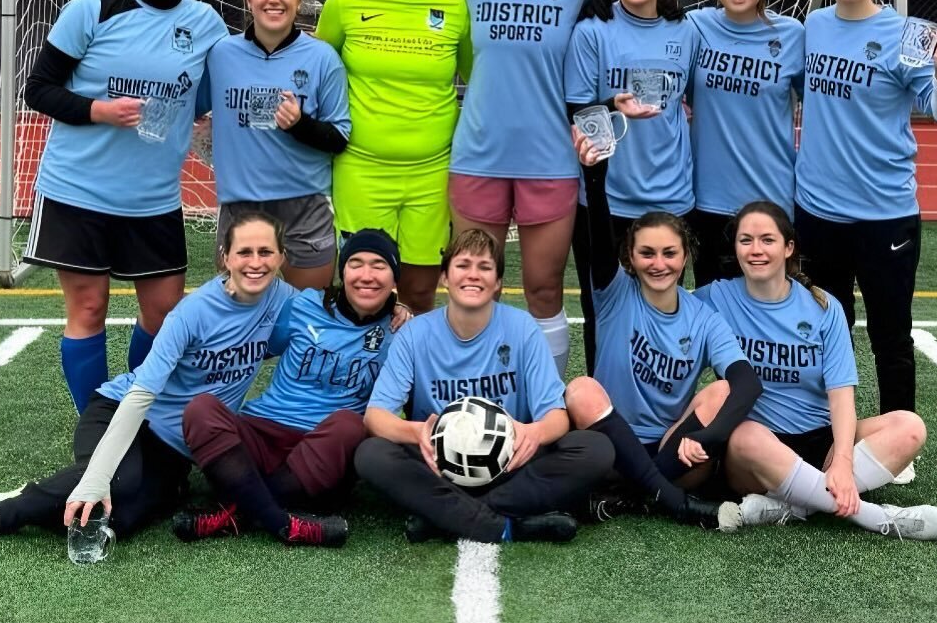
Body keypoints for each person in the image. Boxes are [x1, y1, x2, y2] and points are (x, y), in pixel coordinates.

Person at [0, 213, 312, 547]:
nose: (256, 263)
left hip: (173, 447)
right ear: (225, 257)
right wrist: (98, 478)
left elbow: (332, 317)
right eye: (244, 252)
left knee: (121, 518)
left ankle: (36, 491)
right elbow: (139, 395)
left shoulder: (284, 300)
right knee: (118, 483)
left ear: (282, 256)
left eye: (265, 252)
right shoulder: (192, 313)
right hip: (120, 411)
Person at [21, 0, 229, 413]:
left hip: (153, 199)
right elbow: (38, 89)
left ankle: (132, 415)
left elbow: (205, 99)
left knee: (163, 316)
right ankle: (95, 427)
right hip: (78, 191)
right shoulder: (93, 8)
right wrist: (99, 110)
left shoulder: (206, 23)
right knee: (88, 309)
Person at [794, 0, 937, 455]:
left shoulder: (909, 34)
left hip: (884, 211)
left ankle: (897, 442)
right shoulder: (812, 26)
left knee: (891, 334)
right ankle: (827, 435)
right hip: (817, 211)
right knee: (825, 333)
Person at [695, 200, 937, 541]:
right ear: (735, 247)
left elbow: (841, 396)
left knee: (909, 426)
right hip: (757, 452)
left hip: (822, 442)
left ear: (788, 247)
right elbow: (664, 312)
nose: (756, 250)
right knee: (744, 436)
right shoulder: (716, 298)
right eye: (746, 240)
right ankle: (876, 517)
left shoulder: (823, 308)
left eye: (767, 240)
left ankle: (795, 505)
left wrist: (843, 459)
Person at [354, 229, 614, 544]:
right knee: (371, 454)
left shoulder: (522, 328)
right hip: (439, 467)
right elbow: (375, 415)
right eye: (463, 265)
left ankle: (444, 516)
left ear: (498, 282)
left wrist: (534, 433)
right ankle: (506, 525)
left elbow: (557, 416)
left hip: (509, 464)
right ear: (444, 278)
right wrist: (416, 433)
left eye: (484, 267)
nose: (473, 275)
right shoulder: (415, 334)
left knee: (596, 449)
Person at [563, 128, 761, 529]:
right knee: (580, 390)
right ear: (630, 259)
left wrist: (707, 437)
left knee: (721, 390)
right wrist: (594, 177)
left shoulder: (703, 317)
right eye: (647, 253)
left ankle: (628, 495)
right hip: (609, 442)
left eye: (669, 253)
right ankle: (671, 502)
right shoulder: (614, 293)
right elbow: (599, 239)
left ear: (685, 256)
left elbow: (746, 384)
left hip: (673, 452)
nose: (659, 263)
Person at [171, 229, 406, 546]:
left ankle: (234, 513)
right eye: (356, 263)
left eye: (379, 265)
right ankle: (282, 522)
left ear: (394, 277)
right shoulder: (304, 305)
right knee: (201, 409)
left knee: (350, 425)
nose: (366, 275)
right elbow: (255, 345)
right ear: (343, 271)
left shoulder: (403, 332)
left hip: (323, 451)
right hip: (263, 431)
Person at [450, 0, 593, 375]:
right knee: (474, 283)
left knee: (543, 287)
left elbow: (591, 59)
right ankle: (471, 390)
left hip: (549, 159)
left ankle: (546, 399)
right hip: (478, 155)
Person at [315, 0, 470, 313]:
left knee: (419, 293)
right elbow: (311, 69)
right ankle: (360, 374)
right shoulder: (347, 0)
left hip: (431, 175)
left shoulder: (457, 8)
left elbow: (481, 81)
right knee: (363, 291)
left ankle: (412, 376)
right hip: (361, 170)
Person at [565, 0, 700, 373]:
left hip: (671, 199)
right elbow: (578, 111)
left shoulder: (687, 31)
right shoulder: (592, 31)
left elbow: (703, 100)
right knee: (602, 312)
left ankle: (658, 413)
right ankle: (603, 412)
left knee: (663, 313)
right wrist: (610, 106)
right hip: (607, 201)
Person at [203, 0, 350, 290]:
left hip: (305, 206)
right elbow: (193, 108)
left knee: (309, 318)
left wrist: (300, 125)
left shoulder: (322, 58)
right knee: (239, 322)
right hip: (240, 206)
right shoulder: (221, 54)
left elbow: (339, 138)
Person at [687, 0, 805, 286]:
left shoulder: (793, 34)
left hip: (771, 199)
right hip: (707, 199)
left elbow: (826, 105)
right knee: (712, 309)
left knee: (767, 310)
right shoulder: (694, 27)